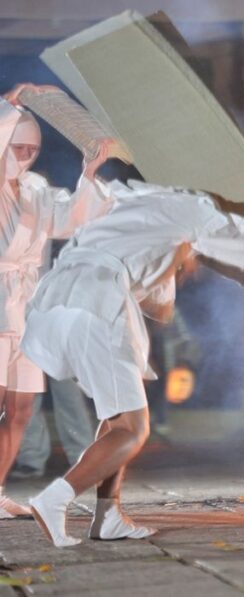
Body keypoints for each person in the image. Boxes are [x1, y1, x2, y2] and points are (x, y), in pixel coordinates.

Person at [22, 175, 244, 547]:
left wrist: (176, 260)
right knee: (133, 429)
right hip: (98, 303)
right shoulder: (195, 207)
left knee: (117, 415)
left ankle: (108, 516)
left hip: (55, 302)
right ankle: (55, 498)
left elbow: (156, 306)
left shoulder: (123, 194)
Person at [0, 89, 113, 518]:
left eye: (33, 149)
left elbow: (70, 218)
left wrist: (90, 173)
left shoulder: (35, 188)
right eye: (17, 147)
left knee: (21, 408)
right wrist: (14, 103)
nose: (26, 156)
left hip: (28, 308)